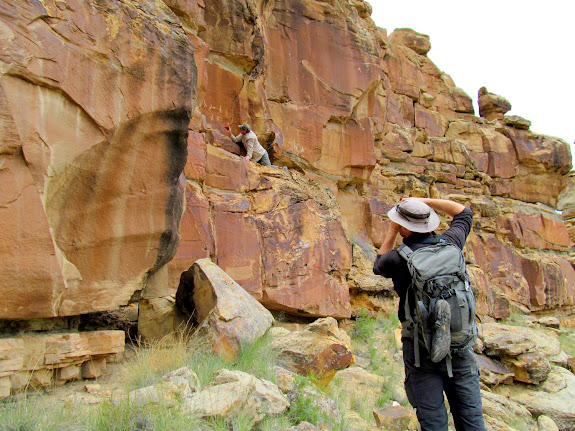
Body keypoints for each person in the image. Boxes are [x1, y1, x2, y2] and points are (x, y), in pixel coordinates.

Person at [373, 197, 485, 431]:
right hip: (460, 348)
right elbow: (464, 212)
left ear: (404, 227)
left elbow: (378, 263)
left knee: (434, 423)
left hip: (421, 351)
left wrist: (393, 230)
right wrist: (422, 201)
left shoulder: (398, 258)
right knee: (472, 422)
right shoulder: (452, 243)